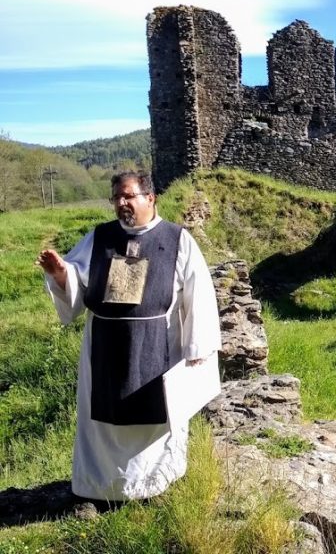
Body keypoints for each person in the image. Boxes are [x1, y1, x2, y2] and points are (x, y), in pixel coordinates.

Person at [36, 171, 222, 501]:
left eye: (128, 196)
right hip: (104, 349)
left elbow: (199, 292)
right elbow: (77, 277)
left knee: (155, 418)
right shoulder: (100, 237)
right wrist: (60, 273)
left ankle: (154, 486)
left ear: (150, 198)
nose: (121, 203)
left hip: (158, 347)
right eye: (116, 198)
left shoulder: (177, 239)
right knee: (102, 423)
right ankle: (98, 490)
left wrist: (198, 346)